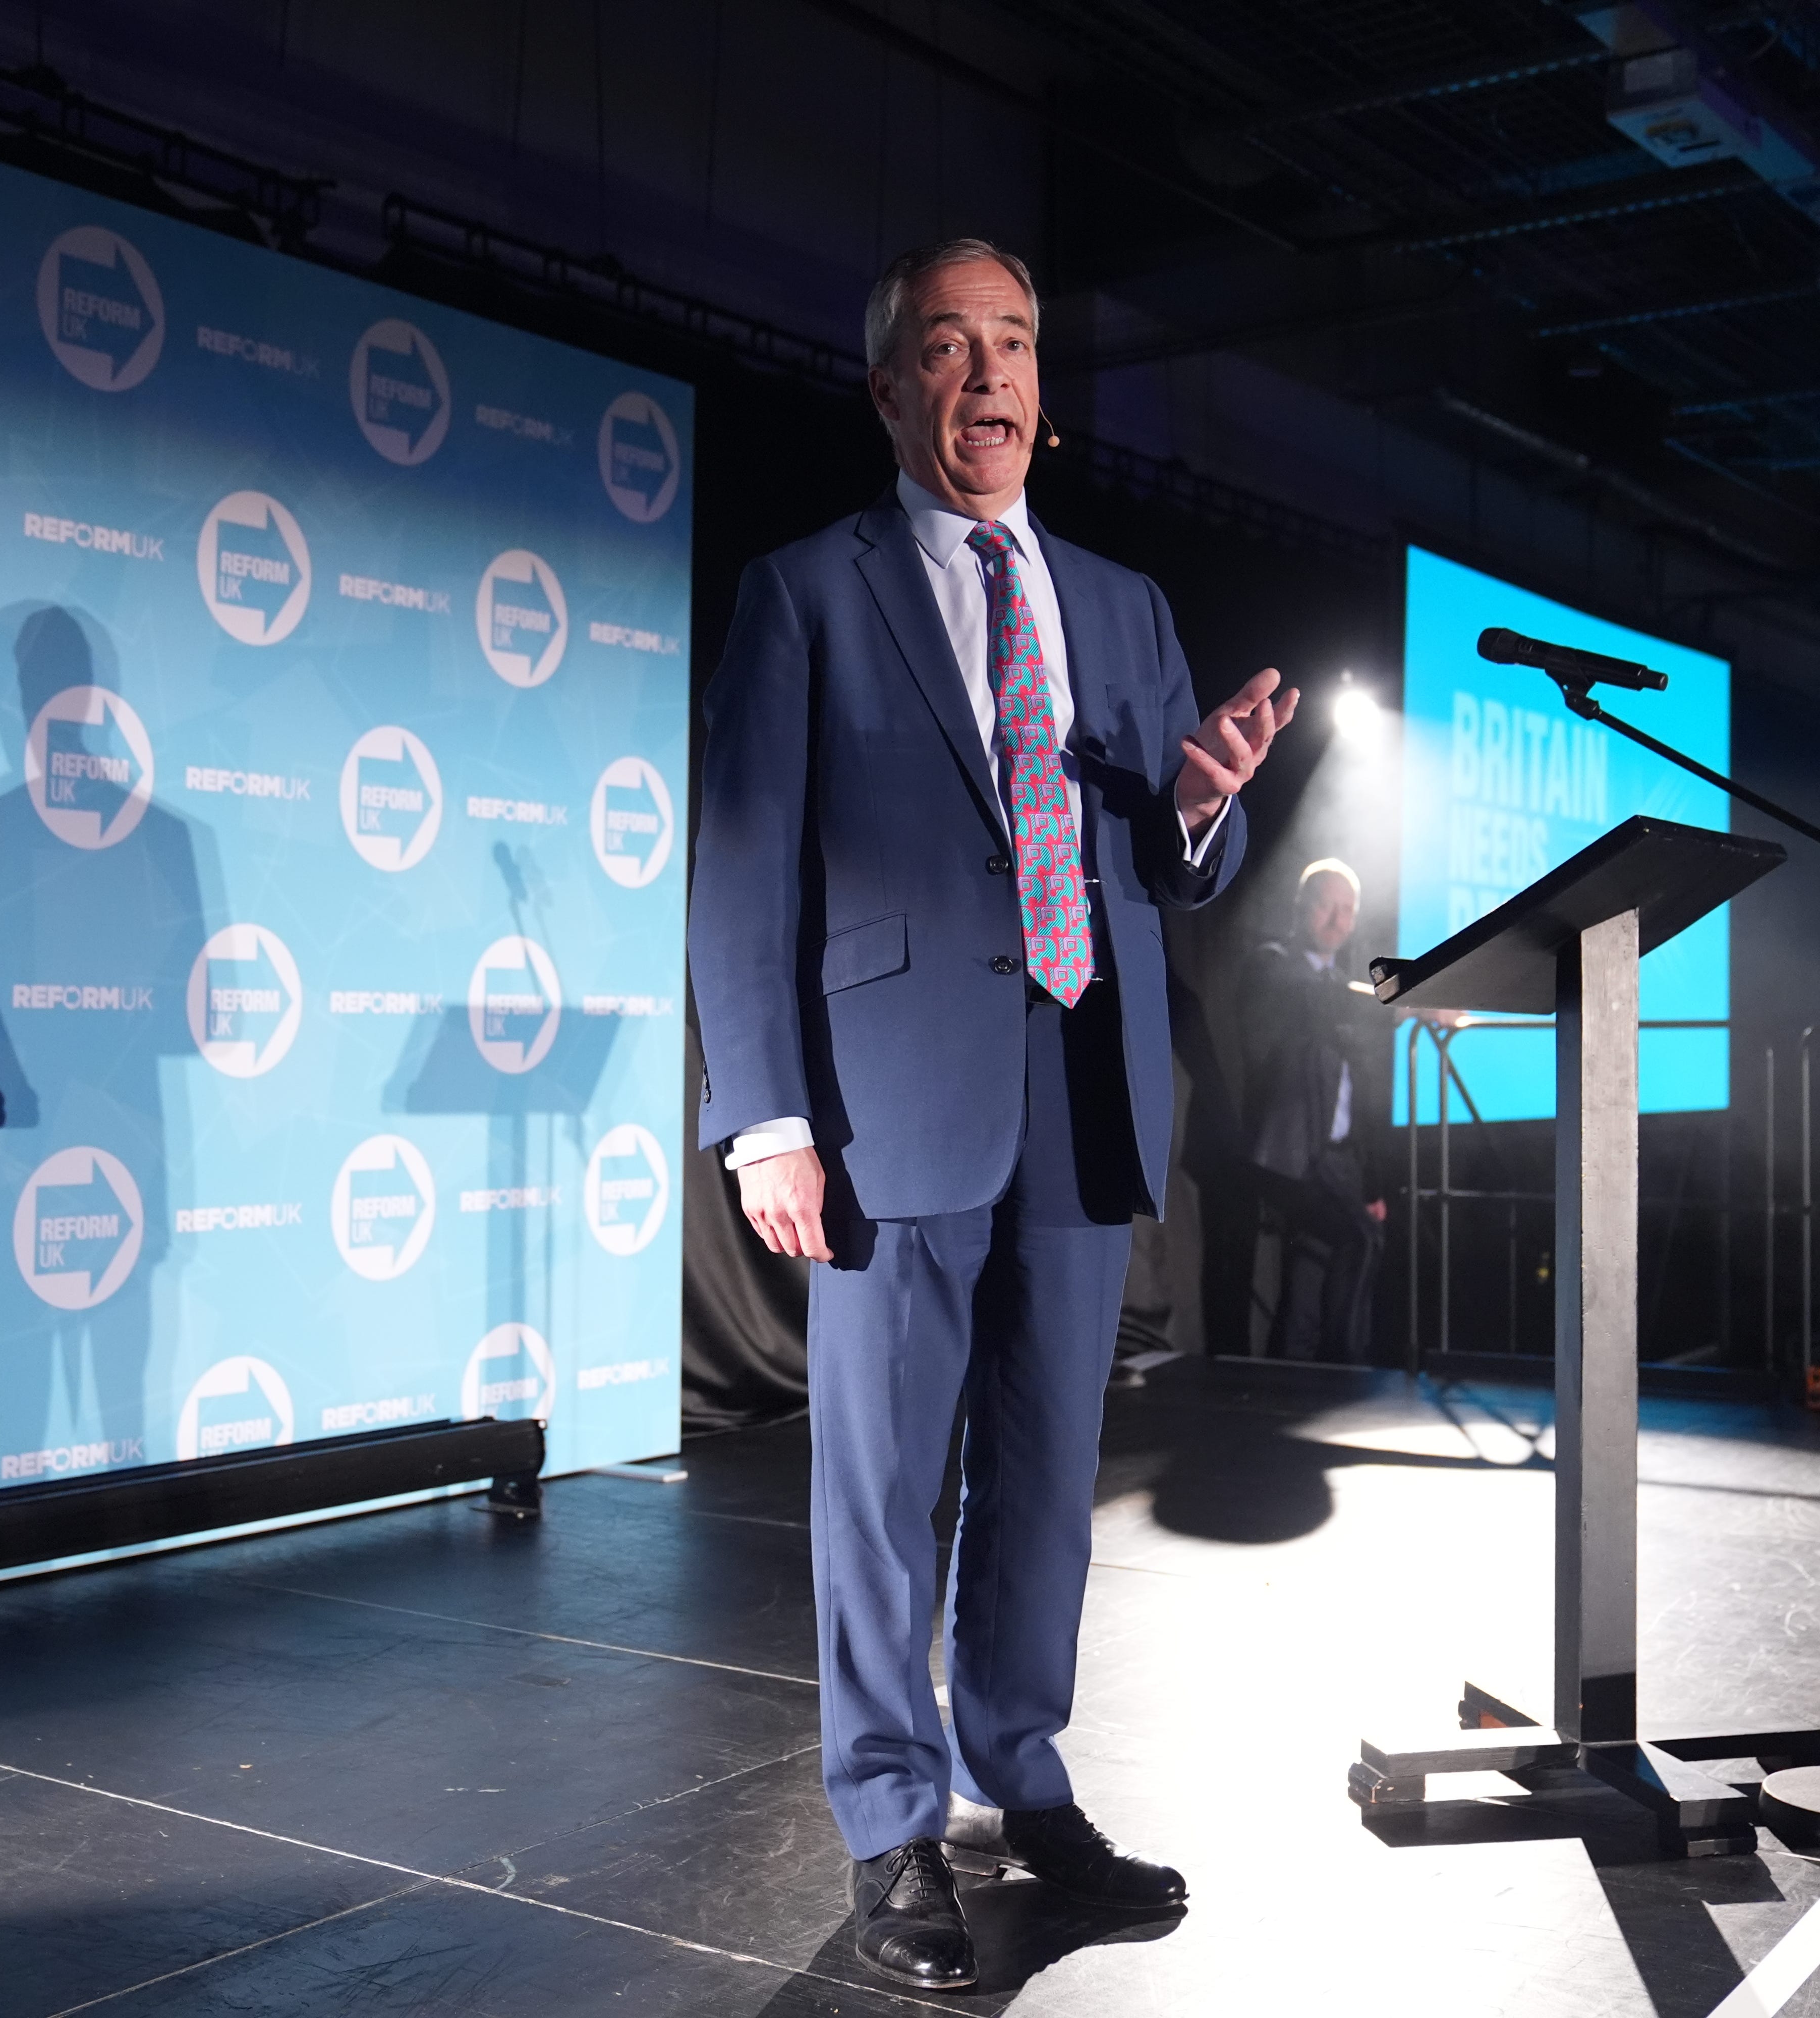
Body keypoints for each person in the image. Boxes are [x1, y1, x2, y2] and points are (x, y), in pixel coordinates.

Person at [687, 237, 1294, 1990]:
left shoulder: (1122, 604)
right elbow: (742, 862)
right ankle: (890, 1822)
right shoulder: (807, 590)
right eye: (949, 348)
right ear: (892, 391)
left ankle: (1020, 1776)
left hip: (1081, 1086)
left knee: (1043, 1482)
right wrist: (767, 1116)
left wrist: (1199, 807)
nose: (989, 377)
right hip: (888, 1101)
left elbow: (1178, 858)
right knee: (884, 1486)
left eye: (1013, 344)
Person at [1238, 858, 1390, 1363]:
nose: (1338, 920)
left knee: (1312, 1264)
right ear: (1302, 906)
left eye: (1348, 910)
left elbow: (1359, 1099)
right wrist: (1408, 1003)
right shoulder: (1273, 966)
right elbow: (1318, 998)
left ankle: (1294, 1374)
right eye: (1328, 905)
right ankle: (1348, 1365)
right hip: (1289, 1155)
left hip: (1339, 1159)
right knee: (1360, 1240)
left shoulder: (1343, 987)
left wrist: (1372, 1186)